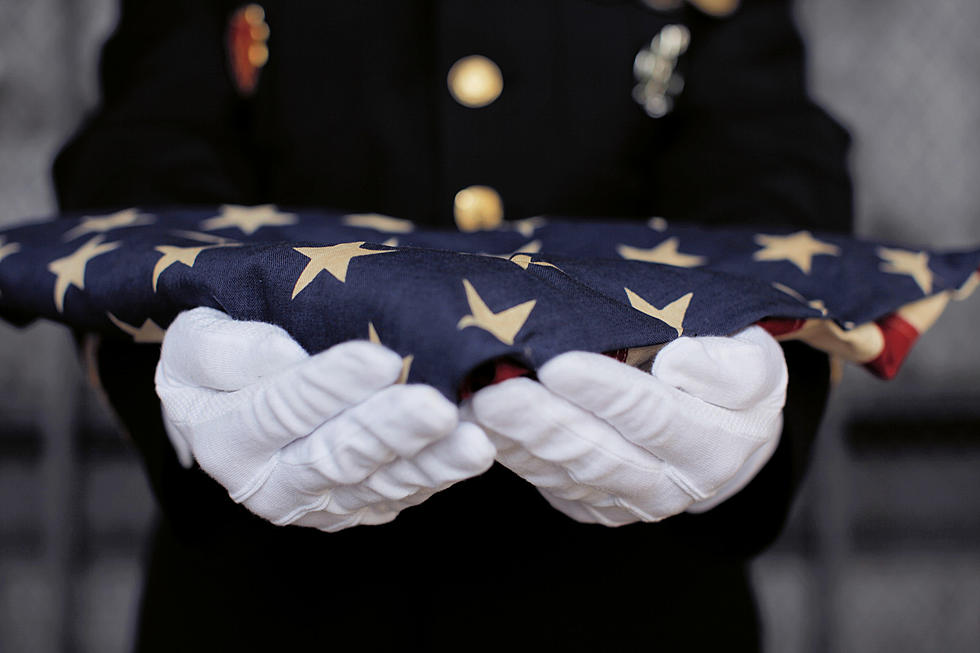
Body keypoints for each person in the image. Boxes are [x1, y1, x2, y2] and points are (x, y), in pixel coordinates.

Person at [53, 0, 852, 650]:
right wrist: (181, 347)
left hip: (634, 589)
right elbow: (147, 134)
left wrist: (755, 355)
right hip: (269, 587)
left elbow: (766, 148)